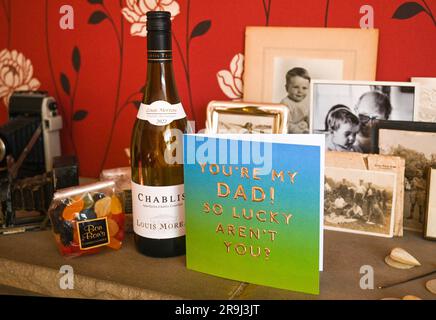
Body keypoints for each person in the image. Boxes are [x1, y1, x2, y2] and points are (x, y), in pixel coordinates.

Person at [280, 67, 311, 133]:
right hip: (291, 134)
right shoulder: (285, 104)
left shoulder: (307, 102)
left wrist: (307, 124)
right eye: (296, 87)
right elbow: (285, 125)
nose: (300, 91)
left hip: (304, 131)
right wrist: (298, 128)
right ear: (287, 88)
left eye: (304, 88)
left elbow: (309, 119)